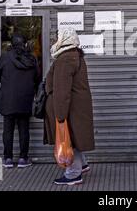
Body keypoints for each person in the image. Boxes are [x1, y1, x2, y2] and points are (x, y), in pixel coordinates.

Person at [44, 29, 95, 186]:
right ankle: (83, 165)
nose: (54, 40)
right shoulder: (75, 56)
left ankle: (73, 174)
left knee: (69, 137)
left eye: (56, 38)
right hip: (77, 107)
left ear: (64, 40)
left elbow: (62, 90)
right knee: (76, 134)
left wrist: (60, 115)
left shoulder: (65, 59)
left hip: (69, 108)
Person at [0, 33, 40, 168]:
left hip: (8, 98)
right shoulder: (32, 58)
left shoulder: (5, 57)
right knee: (24, 129)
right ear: (25, 44)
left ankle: (8, 159)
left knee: (7, 130)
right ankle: (23, 159)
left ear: (12, 44)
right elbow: (37, 77)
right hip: (25, 98)